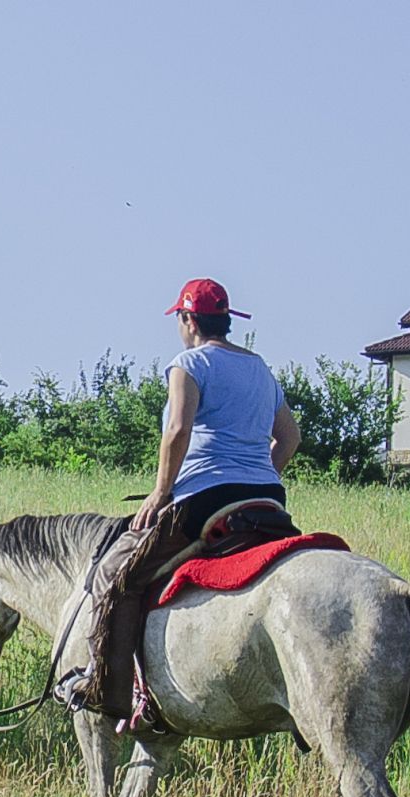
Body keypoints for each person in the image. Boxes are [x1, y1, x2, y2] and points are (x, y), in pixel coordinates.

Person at [52, 278, 302, 724]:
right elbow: (290, 437)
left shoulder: (190, 363)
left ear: (189, 320)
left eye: (180, 319)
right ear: (225, 321)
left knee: (116, 572)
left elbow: (178, 431)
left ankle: (105, 688)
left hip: (205, 497)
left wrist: (161, 491)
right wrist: (259, 477)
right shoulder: (260, 368)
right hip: (268, 498)